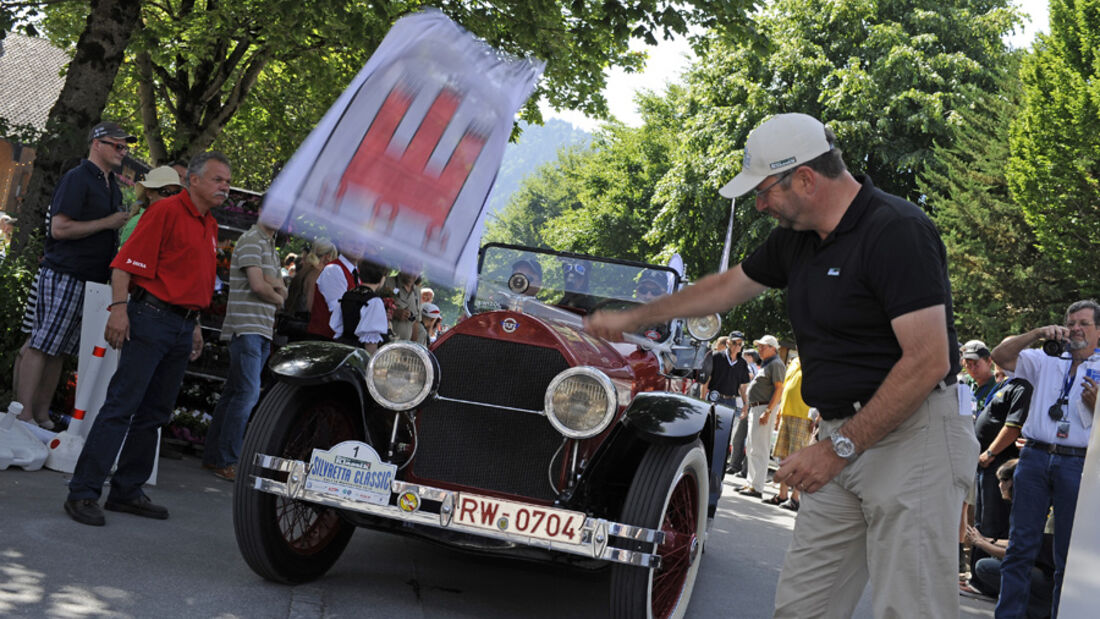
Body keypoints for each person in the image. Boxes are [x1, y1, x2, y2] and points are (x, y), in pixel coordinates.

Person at [585, 113, 972, 618]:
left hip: (913, 438)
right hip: (842, 433)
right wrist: (636, 317)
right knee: (801, 608)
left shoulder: (897, 230)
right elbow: (725, 287)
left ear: (806, 179)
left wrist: (835, 451)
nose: (761, 204)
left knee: (912, 608)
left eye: (764, 191)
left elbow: (927, 361)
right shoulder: (799, 239)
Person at [64, 151, 229, 527]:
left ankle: (126, 490)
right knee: (122, 405)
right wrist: (118, 310)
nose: (225, 186)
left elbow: (194, 280)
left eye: (227, 180)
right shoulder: (166, 211)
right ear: (196, 181)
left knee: (155, 412)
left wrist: (196, 326)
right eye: (218, 179)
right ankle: (84, 491)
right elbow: (123, 265)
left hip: (181, 324)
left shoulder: (211, 225)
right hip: (151, 318)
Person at [17, 122, 134, 429]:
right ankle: (24, 414)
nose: (123, 152)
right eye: (117, 145)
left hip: (90, 278)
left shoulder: (110, 184)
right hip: (65, 272)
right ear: (97, 144)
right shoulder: (77, 178)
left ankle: (41, 415)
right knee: (43, 344)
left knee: (60, 350)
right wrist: (108, 222)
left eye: (125, 147)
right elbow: (59, 228)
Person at [990, 300, 1098, 618]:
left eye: (1084, 323)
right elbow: (999, 355)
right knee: (1020, 547)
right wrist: (1036, 333)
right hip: (1035, 457)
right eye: (1071, 322)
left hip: (1079, 464)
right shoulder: (1046, 357)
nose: (1075, 328)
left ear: (1099, 331)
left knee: (1068, 554)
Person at [201, 207, 286, 481]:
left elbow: (276, 284)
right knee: (247, 395)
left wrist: (272, 283)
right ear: (262, 210)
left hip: (259, 329)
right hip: (247, 327)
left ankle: (215, 457)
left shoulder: (269, 246)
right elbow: (259, 286)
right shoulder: (252, 240)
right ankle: (227, 461)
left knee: (235, 393)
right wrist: (279, 296)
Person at [960, 340, 1032, 545]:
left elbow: (1013, 426)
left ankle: (988, 570)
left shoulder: (1022, 386)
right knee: (981, 521)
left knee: (994, 522)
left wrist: (990, 453)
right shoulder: (1006, 384)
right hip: (984, 464)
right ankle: (978, 571)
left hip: (998, 462)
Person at [961, 459, 1055, 616]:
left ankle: (1038, 609)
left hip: (1048, 578)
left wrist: (982, 544)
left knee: (984, 566)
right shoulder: (1031, 504)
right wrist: (989, 541)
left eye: (1004, 480)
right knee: (993, 557)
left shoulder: (1035, 511)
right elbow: (1018, 542)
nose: (1000, 485)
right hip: (1040, 568)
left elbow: (1019, 552)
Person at [738, 334, 785, 498]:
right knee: (752, 447)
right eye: (759, 346)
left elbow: (779, 389)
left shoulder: (776, 364)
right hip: (757, 407)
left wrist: (768, 411)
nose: (760, 349)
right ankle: (751, 483)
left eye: (763, 347)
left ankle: (757, 487)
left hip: (764, 408)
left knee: (760, 448)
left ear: (773, 348)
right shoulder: (768, 363)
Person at [764, 355, 813, 511]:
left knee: (798, 460)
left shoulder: (814, 359)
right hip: (787, 413)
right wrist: (779, 413)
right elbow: (786, 388)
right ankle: (783, 495)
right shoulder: (795, 361)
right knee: (784, 457)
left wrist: (815, 417)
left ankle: (795, 498)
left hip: (804, 416)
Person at [704, 332, 751, 476]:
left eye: (740, 344)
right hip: (714, 398)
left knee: (725, 436)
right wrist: (703, 400)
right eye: (735, 343)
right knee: (709, 433)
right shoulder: (716, 357)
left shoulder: (742, 363)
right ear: (728, 343)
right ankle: (705, 464)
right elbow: (706, 381)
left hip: (730, 401)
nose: (738, 346)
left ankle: (718, 471)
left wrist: (745, 405)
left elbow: (743, 387)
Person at [306, 240, 361, 339]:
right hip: (326, 342)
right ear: (341, 242)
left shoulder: (356, 273)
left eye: (362, 242)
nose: (357, 245)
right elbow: (339, 313)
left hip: (338, 341)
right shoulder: (333, 269)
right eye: (352, 240)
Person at [119, 166, 183, 244]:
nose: (172, 198)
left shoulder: (173, 224)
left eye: (176, 193)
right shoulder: (138, 223)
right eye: (165, 192)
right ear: (149, 193)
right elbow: (128, 256)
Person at [284, 237, 337, 321]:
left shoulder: (304, 270)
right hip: (303, 326)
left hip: (291, 322)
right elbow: (310, 306)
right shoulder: (316, 274)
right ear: (328, 257)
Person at [390, 270, 423, 341]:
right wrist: (393, 313)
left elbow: (416, 322)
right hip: (386, 345)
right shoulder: (387, 283)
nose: (412, 272)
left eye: (416, 269)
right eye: (409, 267)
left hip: (404, 347)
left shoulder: (417, 292)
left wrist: (413, 346)